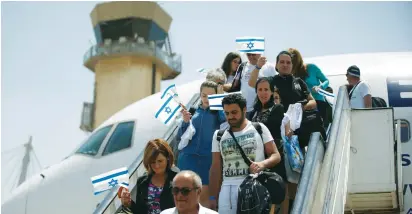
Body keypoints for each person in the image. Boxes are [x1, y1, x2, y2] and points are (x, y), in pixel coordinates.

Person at [208, 93, 281, 214]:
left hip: (254, 187)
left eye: (234, 112)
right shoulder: (219, 135)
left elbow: (276, 155)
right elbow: (215, 167)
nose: (230, 116)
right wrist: (212, 197)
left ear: (244, 109)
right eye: (227, 113)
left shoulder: (259, 128)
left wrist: (262, 164)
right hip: (227, 192)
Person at [176, 81, 226, 207]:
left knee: (204, 199)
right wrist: (186, 121)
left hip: (207, 160)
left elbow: (225, 124)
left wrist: (219, 101)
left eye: (210, 96)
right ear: (200, 95)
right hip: (188, 158)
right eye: (204, 95)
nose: (206, 99)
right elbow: (180, 137)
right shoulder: (193, 111)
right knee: (184, 197)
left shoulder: (218, 112)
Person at [249, 77, 288, 212]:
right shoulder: (253, 112)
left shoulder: (277, 108)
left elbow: (270, 128)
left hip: (274, 156)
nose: (263, 93)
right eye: (260, 89)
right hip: (258, 158)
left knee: (277, 191)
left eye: (266, 89)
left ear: (272, 92)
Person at [119, 139, 178, 214]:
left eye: (160, 161)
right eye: (152, 162)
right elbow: (140, 212)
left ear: (168, 158)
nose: (156, 166)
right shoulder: (142, 182)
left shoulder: (179, 179)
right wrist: (129, 203)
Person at [223, 52, 277, 119]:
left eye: (253, 54)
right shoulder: (242, 66)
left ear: (259, 52)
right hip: (244, 110)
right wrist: (220, 86)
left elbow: (276, 88)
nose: (251, 57)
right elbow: (234, 86)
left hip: (261, 111)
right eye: (248, 54)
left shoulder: (269, 67)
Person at [288, 48, 331, 126]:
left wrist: (320, 87)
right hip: (303, 105)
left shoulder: (312, 67)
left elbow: (326, 80)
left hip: (318, 101)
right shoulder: (290, 75)